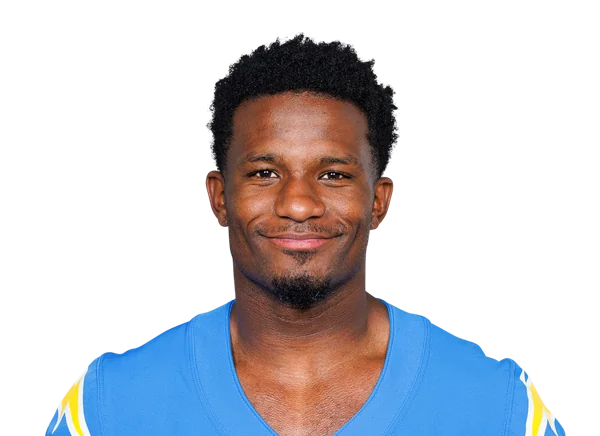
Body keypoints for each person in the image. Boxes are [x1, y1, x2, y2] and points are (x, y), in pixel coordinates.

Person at [46, 34, 565, 436]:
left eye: (333, 174)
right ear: (219, 197)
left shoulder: (500, 409)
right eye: (265, 173)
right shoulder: (108, 407)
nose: (298, 204)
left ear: (379, 200)